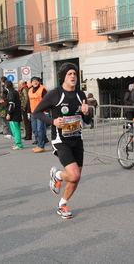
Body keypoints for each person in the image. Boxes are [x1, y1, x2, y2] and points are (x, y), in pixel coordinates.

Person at [33, 62, 91, 219]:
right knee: (73, 175)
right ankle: (57, 175)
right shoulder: (54, 94)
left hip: (77, 139)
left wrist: (87, 113)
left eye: (75, 74)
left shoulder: (81, 95)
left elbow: (88, 121)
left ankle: (62, 205)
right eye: (69, 74)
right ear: (63, 78)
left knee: (76, 177)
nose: (73, 76)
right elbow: (36, 112)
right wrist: (52, 121)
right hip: (61, 140)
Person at [28, 76, 48, 153]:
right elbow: (29, 102)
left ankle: (41, 146)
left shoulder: (42, 90)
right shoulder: (29, 90)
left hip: (40, 112)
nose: (35, 83)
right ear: (31, 83)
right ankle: (38, 143)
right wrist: (28, 112)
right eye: (33, 81)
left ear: (39, 82)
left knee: (40, 129)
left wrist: (46, 110)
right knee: (34, 129)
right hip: (33, 112)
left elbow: (47, 101)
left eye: (36, 81)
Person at [5, 80, 23, 150]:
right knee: (17, 129)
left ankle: (18, 144)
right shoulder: (15, 92)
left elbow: (11, 104)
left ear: (6, 86)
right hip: (17, 113)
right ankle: (17, 143)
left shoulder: (10, 93)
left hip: (13, 114)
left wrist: (9, 113)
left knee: (15, 129)